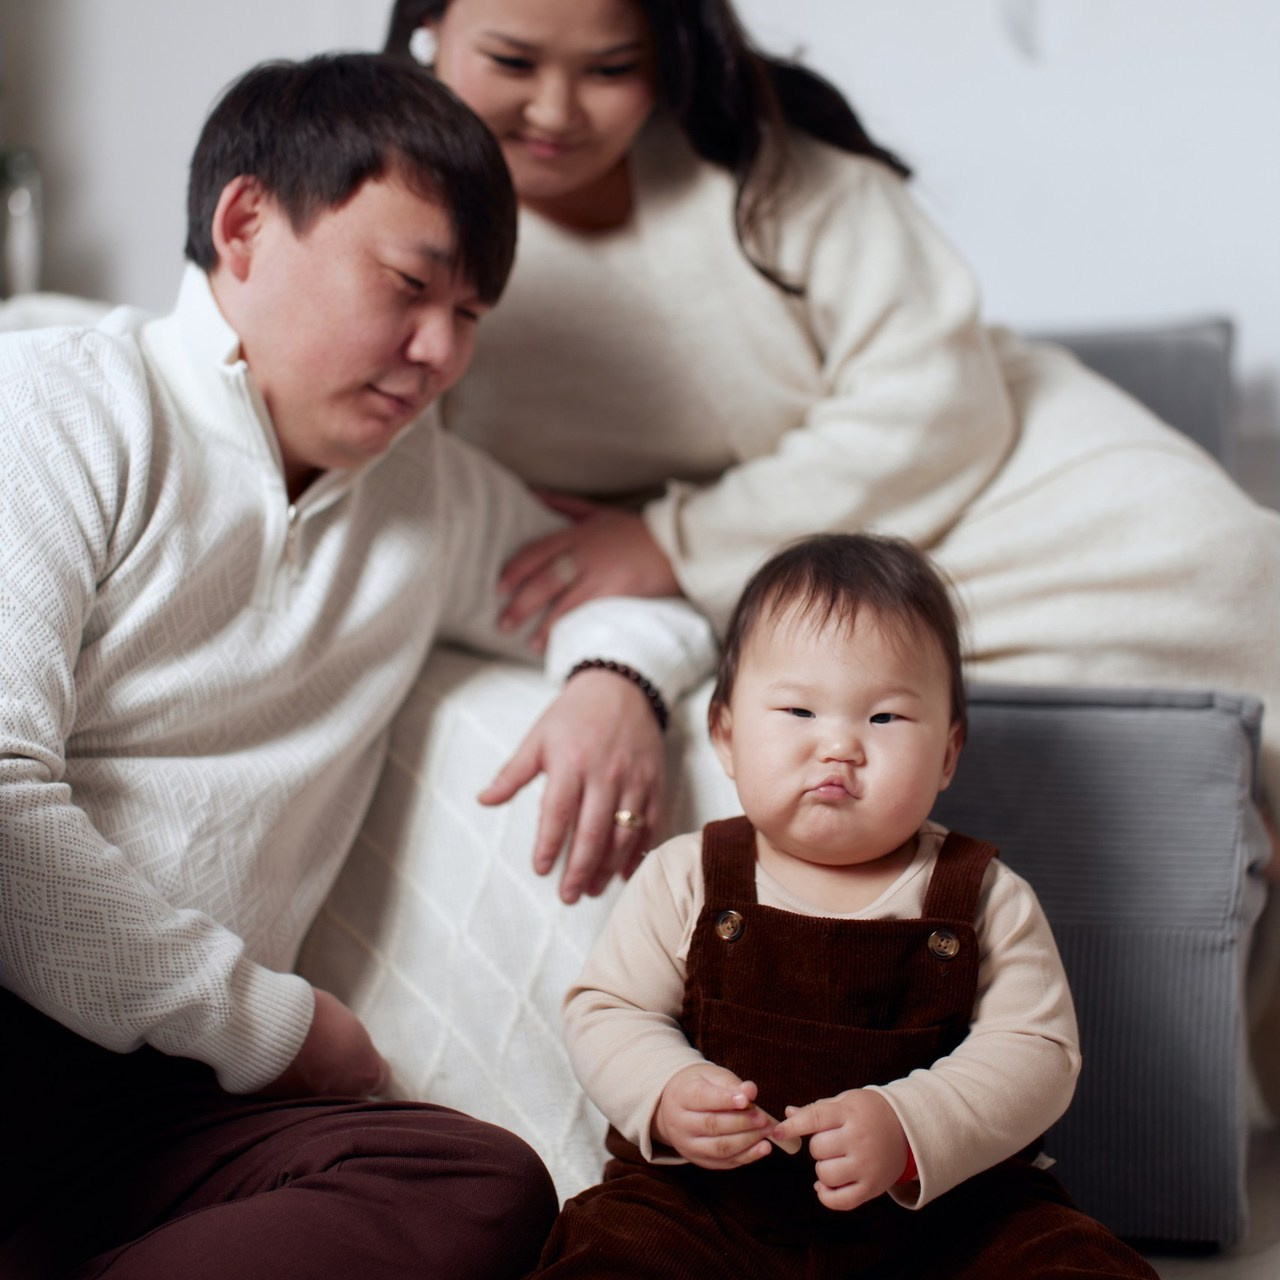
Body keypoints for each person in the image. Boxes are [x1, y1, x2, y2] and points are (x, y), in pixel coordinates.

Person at [0, 53, 717, 1278]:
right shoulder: (64, 405)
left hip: (163, 1112)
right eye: (407, 286)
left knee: (485, 1182)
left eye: (472, 316)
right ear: (244, 226)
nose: (439, 352)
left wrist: (615, 680)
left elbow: (632, 589)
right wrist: (271, 1026)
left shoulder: (420, 489)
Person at [383, 0, 1280, 842]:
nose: (556, 109)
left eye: (613, 67)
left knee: (1227, 567)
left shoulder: (756, 158)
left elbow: (938, 395)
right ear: (429, 25)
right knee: (901, 707)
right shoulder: (388, 213)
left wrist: (674, 544)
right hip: (773, 570)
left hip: (984, 462)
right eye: (511, 60)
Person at [531, 532, 1158, 1278]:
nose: (840, 748)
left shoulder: (983, 896)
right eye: (798, 711)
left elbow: (1036, 1054)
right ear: (726, 737)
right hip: (708, 1207)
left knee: (1066, 1259)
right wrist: (668, 1092)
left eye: (884, 719)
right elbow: (609, 1010)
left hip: (945, 1214)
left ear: (949, 755)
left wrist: (909, 1126)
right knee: (614, 1250)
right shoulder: (686, 876)